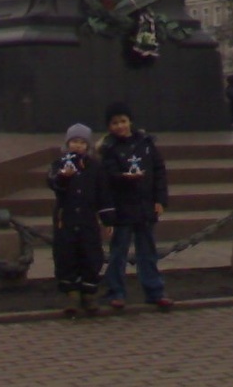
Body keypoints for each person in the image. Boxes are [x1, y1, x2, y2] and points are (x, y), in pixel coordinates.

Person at [99, 102, 172, 310]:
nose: (120, 126)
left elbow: (159, 172)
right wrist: (124, 178)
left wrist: (160, 199)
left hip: (145, 206)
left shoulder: (146, 144)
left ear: (130, 121)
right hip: (121, 209)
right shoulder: (109, 149)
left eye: (123, 121)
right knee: (118, 253)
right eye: (114, 123)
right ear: (109, 127)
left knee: (148, 252)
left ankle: (155, 291)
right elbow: (108, 178)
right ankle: (116, 292)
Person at [47, 122, 112, 315]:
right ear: (67, 144)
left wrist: (108, 218)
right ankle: (72, 294)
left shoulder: (95, 167)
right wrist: (64, 178)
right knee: (66, 255)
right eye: (74, 141)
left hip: (87, 219)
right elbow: (53, 184)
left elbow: (103, 193)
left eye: (82, 142)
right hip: (65, 219)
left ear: (88, 145)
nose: (77, 145)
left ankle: (89, 292)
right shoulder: (59, 164)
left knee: (91, 254)